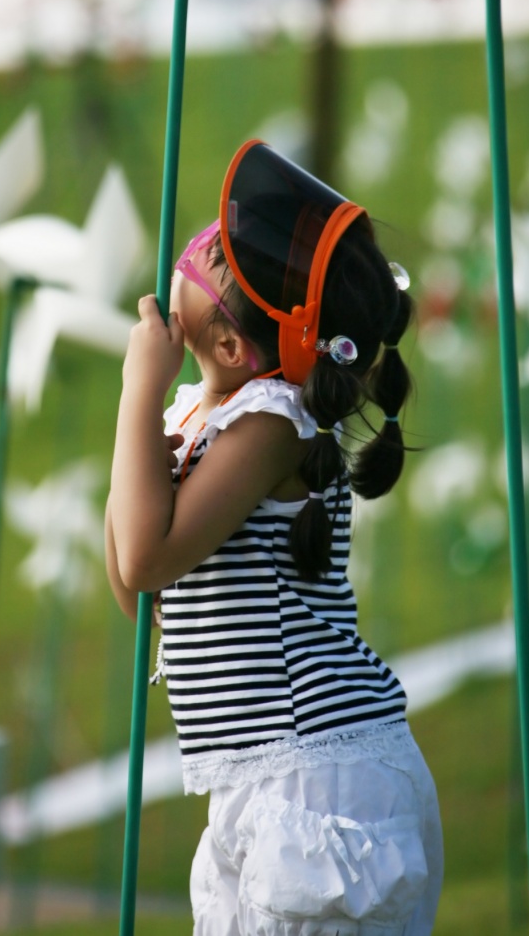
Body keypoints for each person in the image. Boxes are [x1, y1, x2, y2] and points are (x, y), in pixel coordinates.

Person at [106, 139, 443, 936]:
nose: (200, 242)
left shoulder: (273, 423)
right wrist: (139, 442)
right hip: (258, 783)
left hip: (323, 787)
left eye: (218, 253)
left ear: (230, 345)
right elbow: (135, 581)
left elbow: (150, 555)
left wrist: (137, 386)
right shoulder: (202, 413)